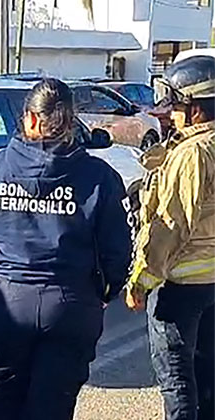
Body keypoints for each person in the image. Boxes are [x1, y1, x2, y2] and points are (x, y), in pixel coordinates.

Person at [0, 78, 132, 420]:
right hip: (71, 304)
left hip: (10, 301)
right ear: (71, 122)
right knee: (52, 405)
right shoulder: (98, 176)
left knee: (0, 398)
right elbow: (119, 251)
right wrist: (105, 292)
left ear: (29, 119)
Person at [126, 55, 215, 420]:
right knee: (208, 376)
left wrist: (140, 281)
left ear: (194, 109)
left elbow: (170, 225)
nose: (170, 114)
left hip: (181, 285)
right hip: (211, 284)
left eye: (176, 106)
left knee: (177, 381)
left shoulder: (192, 153)